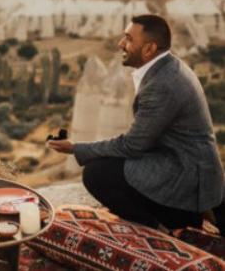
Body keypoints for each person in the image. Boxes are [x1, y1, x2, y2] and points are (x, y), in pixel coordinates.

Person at [48, 14, 225, 233]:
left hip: (187, 178)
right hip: (182, 163)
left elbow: (132, 145)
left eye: (129, 39)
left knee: (96, 174)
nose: (121, 44)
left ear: (149, 49)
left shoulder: (162, 84)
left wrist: (77, 148)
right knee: (111, 164)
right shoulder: (168, 67)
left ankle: (159, 230)